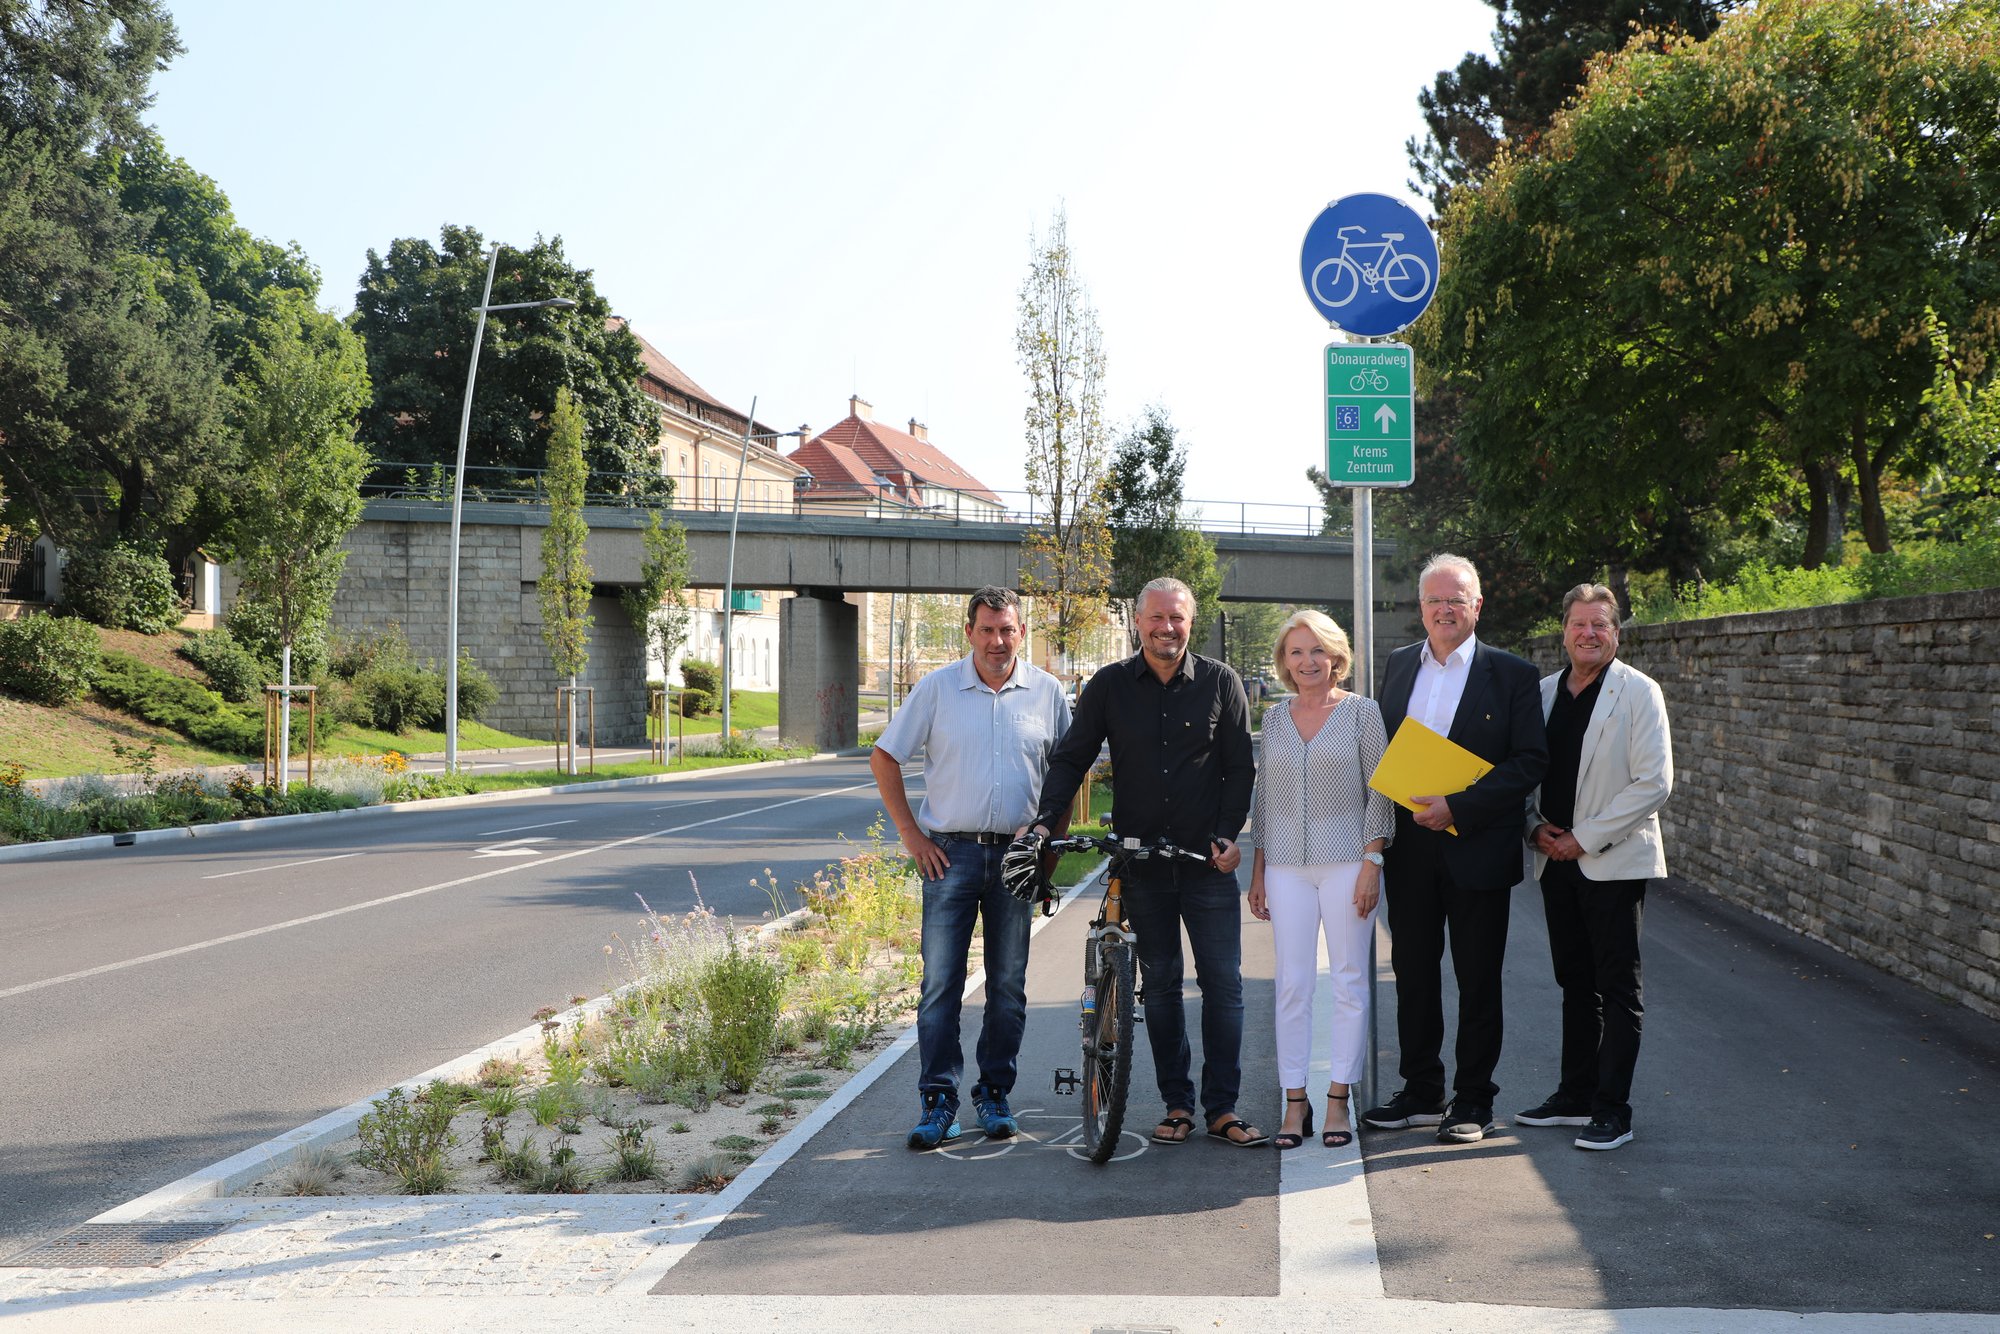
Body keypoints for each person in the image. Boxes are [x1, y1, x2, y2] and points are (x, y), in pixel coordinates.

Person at [1026, 577, 1263, 1148]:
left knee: (1224, 987)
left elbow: (1240, 769)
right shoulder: (1108, 686)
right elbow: (1071, 758)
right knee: (1158, 987)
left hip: (1205, 863)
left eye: (1177, 618)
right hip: (1141, 866)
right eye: (1156, 618)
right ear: (1138, 622)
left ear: (1191, 621)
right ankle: (1178, 1105)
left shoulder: (1221, 682)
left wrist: (1229, 835)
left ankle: (1221, 1108)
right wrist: (1044, 820)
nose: (1166, 628)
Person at [870, 586, 1072, 1150]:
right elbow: (885, 755)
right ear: (970, 632)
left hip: (1016, 857)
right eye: (986, 630)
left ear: (1022, 633)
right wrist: (911, 834)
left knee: (1007, 986)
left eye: (1007, 629)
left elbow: (1068, 771)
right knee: (941, 986)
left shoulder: (1047, 693)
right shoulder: (937, 689)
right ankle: (938, 1101)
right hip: (949, 855)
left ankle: (994, 1094)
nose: (997, 640)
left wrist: (1049, 847)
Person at [1363, 553, 1549, 1145]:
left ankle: (1473, 1101)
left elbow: (1529, 762)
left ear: (1477, 605)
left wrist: (1459, 805)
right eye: (1434, 600)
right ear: (1421, 607)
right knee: (1413, 974)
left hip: (1477, 847)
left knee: (1477, 979)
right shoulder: (1396, 666)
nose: (1445, 609)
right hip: (1411, 849)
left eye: (1457, 599)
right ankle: (1421, 1092)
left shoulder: (1513, 674)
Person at [1520, 583, 1673, 1151]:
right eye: (1579, 623)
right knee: (1573, 984)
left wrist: (1584, 838)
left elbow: (1653, 784)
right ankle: (1575, 1094)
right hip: (1553, 857)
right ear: (1564, 630)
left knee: (1616, 987)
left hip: (1612, 860)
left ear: (1616, 633)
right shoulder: (1541, 693)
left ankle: (1613, 1110)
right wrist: (1534, 827)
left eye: (1600, 625)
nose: (1588, 633)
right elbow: (1525, 771)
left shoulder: (1639, 693)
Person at [1246, 611, 1394, 1151]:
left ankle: (1337, 1099)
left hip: (1348, 863)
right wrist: (1258, 871)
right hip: (1285, 865)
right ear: (1285, 662)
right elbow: (1265, 799)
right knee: (1292, 984)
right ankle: (1294, 1102)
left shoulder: (1362, 713)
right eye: (1295, 652)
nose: (1307, 662)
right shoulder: (1277, 718)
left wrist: (1372, 864)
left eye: (1317, 651)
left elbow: (1381, 791)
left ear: (1336, 656)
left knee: (1351, 979)